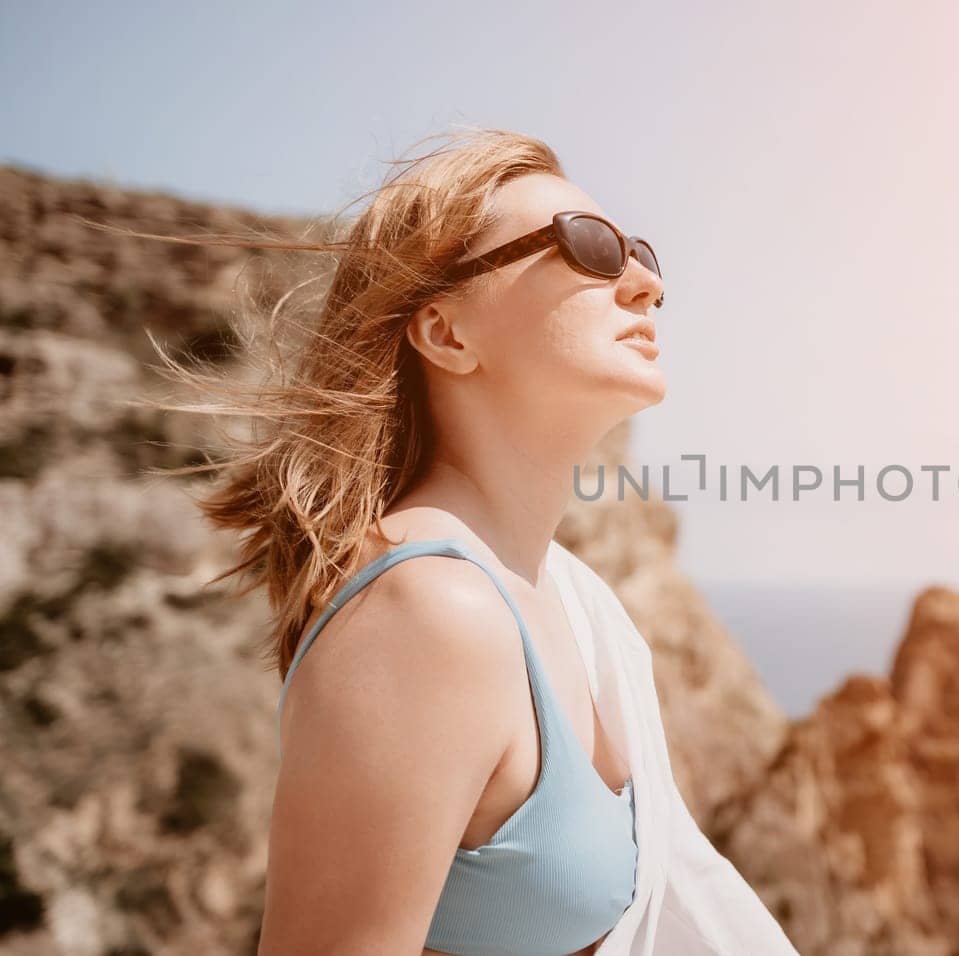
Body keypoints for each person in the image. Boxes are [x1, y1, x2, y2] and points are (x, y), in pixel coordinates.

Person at [128, 127, 800, 955]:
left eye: (641, 252)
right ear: (446, 333)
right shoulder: (424, 611)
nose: (645, 284)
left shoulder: (562, 594)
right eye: (589, 248)